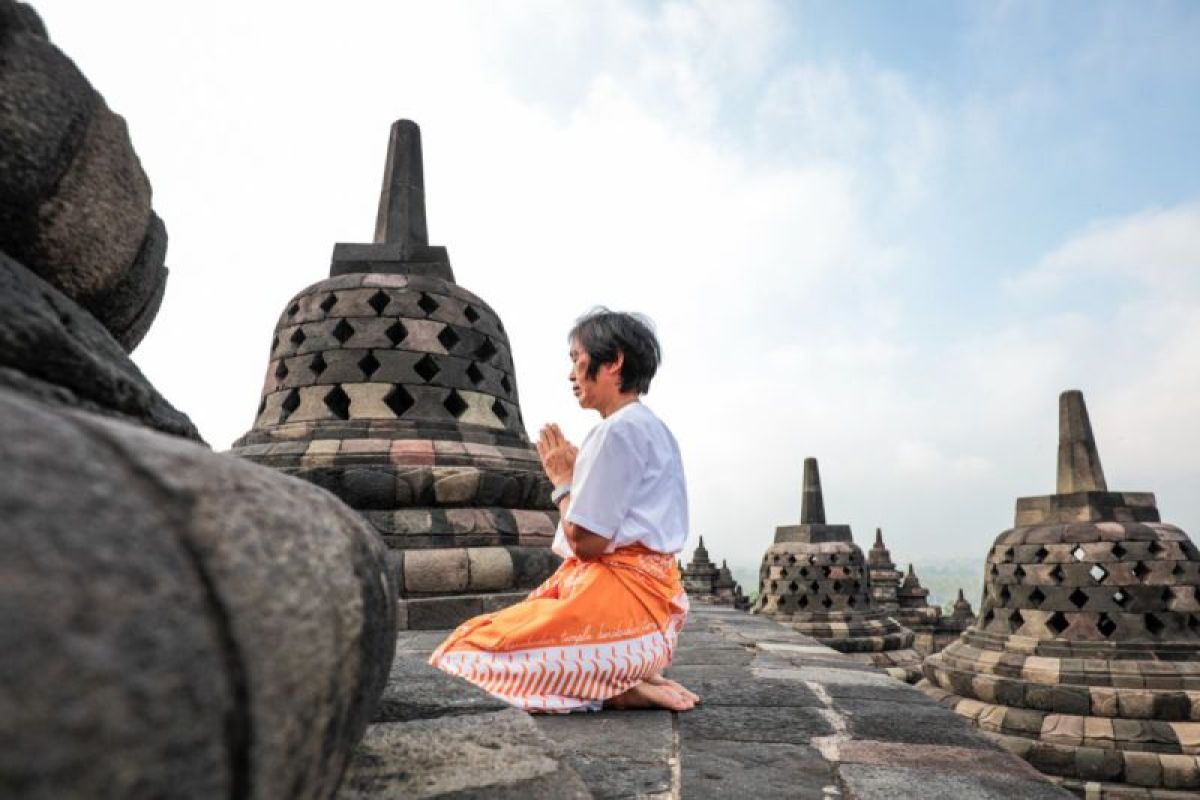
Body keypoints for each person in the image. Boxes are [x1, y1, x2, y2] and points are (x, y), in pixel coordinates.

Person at [429, 308, 698, 712]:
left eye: (577, 359)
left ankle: (614, 687)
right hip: (652, 624)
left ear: (614, 361)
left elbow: (587, 542)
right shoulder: (654, 429)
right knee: (499, 632)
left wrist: (562, 481)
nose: (571, 373)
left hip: (624, 619)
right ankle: (618, 674)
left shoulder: (616, 431)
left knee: (460, 655)